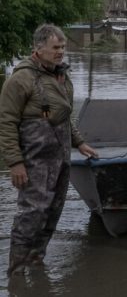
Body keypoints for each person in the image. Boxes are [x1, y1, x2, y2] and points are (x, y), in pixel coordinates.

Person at [0, 24, 98, 276]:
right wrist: (15, 163)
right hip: (34, 162)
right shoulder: (20, 80)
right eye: (56, 47)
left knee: (53, 211)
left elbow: (64, 118)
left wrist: (80, 143)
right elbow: (6, 123)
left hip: (61, 157)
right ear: (38, 48)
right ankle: (16, 274)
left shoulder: (62, 77)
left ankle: (36, 261)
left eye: (63, 47)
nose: (60, 52)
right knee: (31, 215)